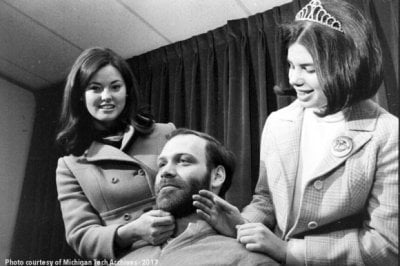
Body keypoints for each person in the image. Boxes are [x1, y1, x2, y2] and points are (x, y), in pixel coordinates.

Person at [193, 0, 399, 265]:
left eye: (308, 69)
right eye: (291, 65)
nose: (293, 78)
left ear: (346, 66)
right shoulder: (278, 122)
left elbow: (386, 246)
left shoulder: (388, 132)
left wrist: (288, 251)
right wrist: (241, 224)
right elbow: (265, 200)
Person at [55, 47, 176, 259]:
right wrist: (132, 231)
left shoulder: (166, 133)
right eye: (95, 88)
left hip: (186, 242)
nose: (106, 96)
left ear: (127, 91)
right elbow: (80, 235)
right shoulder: (70, 165)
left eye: (115, 87)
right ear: (80, 96)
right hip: (135, 257)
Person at [117, 128, 278, 266]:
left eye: (184, 161)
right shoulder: (128, 256)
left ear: (217, 176)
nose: (166, 171)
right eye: (162, 164)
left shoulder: (249, 261)